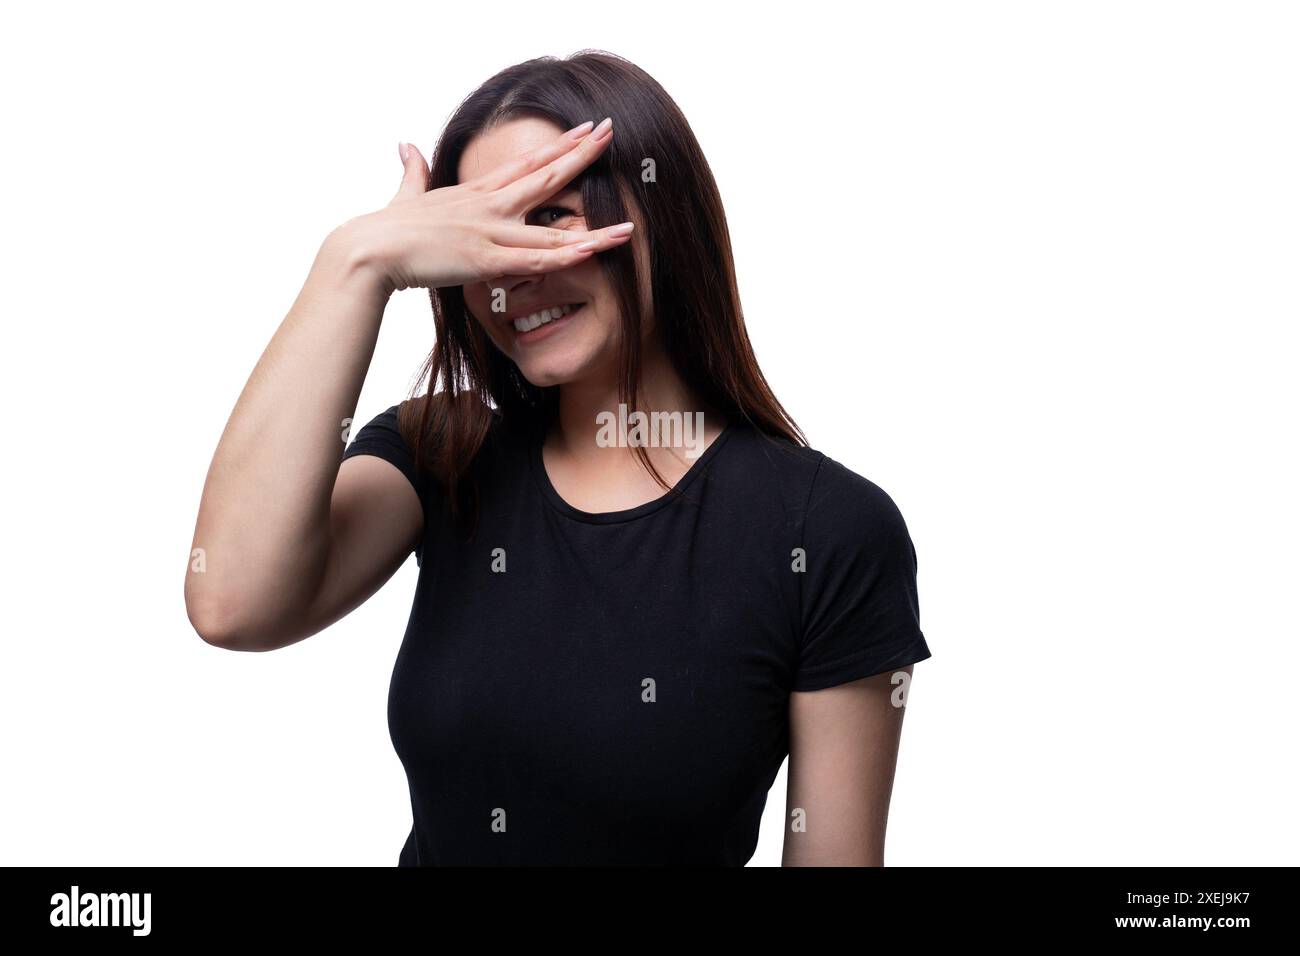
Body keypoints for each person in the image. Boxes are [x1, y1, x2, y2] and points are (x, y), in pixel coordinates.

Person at [185, 50, 932, 866]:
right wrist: (354, 261)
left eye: (553, 216)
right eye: (488, 231)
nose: (515, 271)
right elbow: (232, 602)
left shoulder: (826, 531)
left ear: (661, 212)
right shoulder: (441, 452)